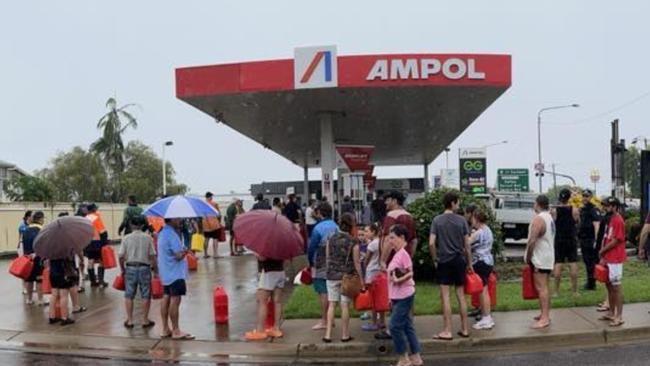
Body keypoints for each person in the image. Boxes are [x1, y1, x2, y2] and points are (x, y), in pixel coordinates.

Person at [429, 191, 473, 340]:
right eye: (458, 202)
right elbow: (467, 245)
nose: (458, 205)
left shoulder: (437, 220)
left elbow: (431, 243)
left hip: (444, 261)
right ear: (453, 203)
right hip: (459, 260)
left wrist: (435, 259)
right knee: (461, 295)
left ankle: (447, 330)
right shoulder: (461, 220)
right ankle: (465, 329)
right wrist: (469, 263)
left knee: (445, 296)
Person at [323, 213, 363, 343]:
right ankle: (345, 335)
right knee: (344, 305)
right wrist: (361, 280)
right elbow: (357, 262)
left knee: (332, 304)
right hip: (347, 276)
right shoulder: (353, 241)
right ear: (351, 225)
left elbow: (328, 257)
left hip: (331, 275)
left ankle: (328, 334)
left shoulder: (331, 238)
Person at [387, 224, 423, 366]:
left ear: (401, 238)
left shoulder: (403, 254)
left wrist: (398, 280)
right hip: (397, 296)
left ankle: (404, 358)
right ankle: (416, 357)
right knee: (407, 326)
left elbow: (410, 273)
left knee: (395, 326)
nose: (390, 241)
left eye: (393, 238)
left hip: (404, 296)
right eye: (389, 238)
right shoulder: (398, 253)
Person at [157, 217, 194, 340]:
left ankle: (165, 328)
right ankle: (176, 330)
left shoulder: (161, 233)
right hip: (175, 273)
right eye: (177, 218)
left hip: (166, 272)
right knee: (175, 300)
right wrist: (186, 251)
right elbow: (178, 256)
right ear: (171, 219)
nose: (180, 220)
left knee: (166, 297)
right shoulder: (172, 235)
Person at [119, 215, 157, 328]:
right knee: (146, 294)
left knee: (129, 295)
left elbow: (121, 256)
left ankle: (130, 320)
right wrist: (155, 270)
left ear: (131, 225)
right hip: (145, 268)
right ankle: (145, 320)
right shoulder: (147, 238)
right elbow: (152, 256)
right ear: (142, 225)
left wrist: (122, 269)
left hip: (130, 267)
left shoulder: (126, 238)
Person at [525, 195, 555, 329]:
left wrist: (528, 256)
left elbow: (532, 240)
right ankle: (544, 313)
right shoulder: (549, 217)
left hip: (540, 258)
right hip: (548, 256)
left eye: (534, 203)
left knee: (541, 288)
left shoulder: (539, 219)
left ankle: (545, 318)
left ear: (537, 204)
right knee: (545, 287)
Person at [307, 202, 338, 330]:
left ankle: (325, 320)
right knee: (331, 291)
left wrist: (310, 262)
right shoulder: (336, 226)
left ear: (320, 213)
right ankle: (331, 318)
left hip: (320, 263)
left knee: (323, 292)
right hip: (334, 261)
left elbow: (311, 247)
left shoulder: (318, 228)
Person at [244, 251, 286, 340]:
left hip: (269, 272)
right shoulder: (281, 241)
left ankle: (260, 331)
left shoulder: (267, 242)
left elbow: (262, 257)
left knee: (262, 301)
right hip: (280, 271)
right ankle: (276, 328)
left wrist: (256, 253)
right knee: (277, 301)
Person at [599, 197, 626, 327]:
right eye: (604, 205)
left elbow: (616, 240)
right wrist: (603, 254)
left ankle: (619, 316)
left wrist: (602, 250)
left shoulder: (618, 220)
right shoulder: (610, 219)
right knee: (609, 286)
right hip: (609, 257)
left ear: (615, 206)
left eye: (608, 206)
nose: (605, 208)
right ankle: (611, 312)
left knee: (616, 287)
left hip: (615, 258)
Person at [469, 210, 495, 330]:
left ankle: (486, 318)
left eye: (473, 218)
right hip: (488, 261)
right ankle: (487, 317)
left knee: (483, 291)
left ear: (477, 219)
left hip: (480, 262)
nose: (471, 221)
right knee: (484, 290)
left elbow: (466, 243)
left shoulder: (479, 232)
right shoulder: (487, 230)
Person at [552, 188, 580, 297]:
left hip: (559, 239)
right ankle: (574, 291)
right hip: (571, 239)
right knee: (573, 263)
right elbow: (577, 223)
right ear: (569, 198)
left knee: (558, 263)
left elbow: (553, 224)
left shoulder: (554, 210)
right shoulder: (575, 210)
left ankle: (556, 292)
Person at [47, 242, 78, 326]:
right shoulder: (65, 245)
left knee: (54, 295)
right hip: (62, 273)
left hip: (52, 273)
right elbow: (70, 259)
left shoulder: (49, 246)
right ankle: (64, 318)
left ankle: (52, 317)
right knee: (63, 295)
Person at [362, 223, 386, 332]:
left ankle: (374, 323)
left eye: (367, 231)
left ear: (373, 232)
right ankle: (382, 321)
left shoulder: (372, 244)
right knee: (380, 297)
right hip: (380, 272)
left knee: (373, 298)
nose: (365, 233)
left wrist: (364, 265)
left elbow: (367, 259)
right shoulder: (382, 242)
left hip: (371, 272)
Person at [22, 211, 47, 306]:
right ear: (40, 219)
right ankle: (40, 300)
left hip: (27, 257)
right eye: (43, 218)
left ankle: (29, 299)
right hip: (38, 257)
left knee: (29, 279)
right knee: (39, 279)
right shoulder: (41, 229)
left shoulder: (26, 229)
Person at [579, 189, 601, 290]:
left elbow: (596, 224)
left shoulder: (593, 209)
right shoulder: (583, 209)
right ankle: (590, 281)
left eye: (587, 196)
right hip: (584, 239)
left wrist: (596, 240)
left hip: (590, 239)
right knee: (587, 261)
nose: (585, 198)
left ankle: (591, 283)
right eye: (583, 195)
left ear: (591, 197)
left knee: (591, 261)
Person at [85, 203, 109, 288]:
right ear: (94, 209)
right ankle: (101, 281)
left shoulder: (85, 218)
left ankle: (93, 282)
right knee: (101, 261)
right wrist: (105, 243)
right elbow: (102, 231)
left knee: (90, 261)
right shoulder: (96, 217)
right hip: (97, 242)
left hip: (88, 243)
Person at [202, 192, 222, 258]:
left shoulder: (203, 204)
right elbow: (219, 214)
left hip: (205, 225)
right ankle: (215, 254)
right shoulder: (214, 204)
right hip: (214, 224)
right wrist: (219, 222)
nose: (212, 198)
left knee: (206, 239)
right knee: (215, 239)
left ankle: (205, 254)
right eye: (211, 196)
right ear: (210, 197)